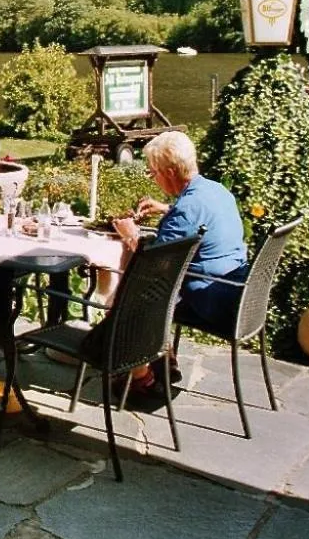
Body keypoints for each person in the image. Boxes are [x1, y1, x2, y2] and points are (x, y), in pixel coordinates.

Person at [105, 130, 248, 394]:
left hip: (210, 300)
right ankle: (162, 359)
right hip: (237, 291)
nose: (154, 178)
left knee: (132, 295)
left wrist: (130, 235)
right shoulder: (216, 191)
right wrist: (166, 209)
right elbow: (199, 217)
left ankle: (141, 377)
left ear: (169, 173)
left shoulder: (185, 211)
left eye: (153, 172)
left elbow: (155, 264)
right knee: (148, 289)